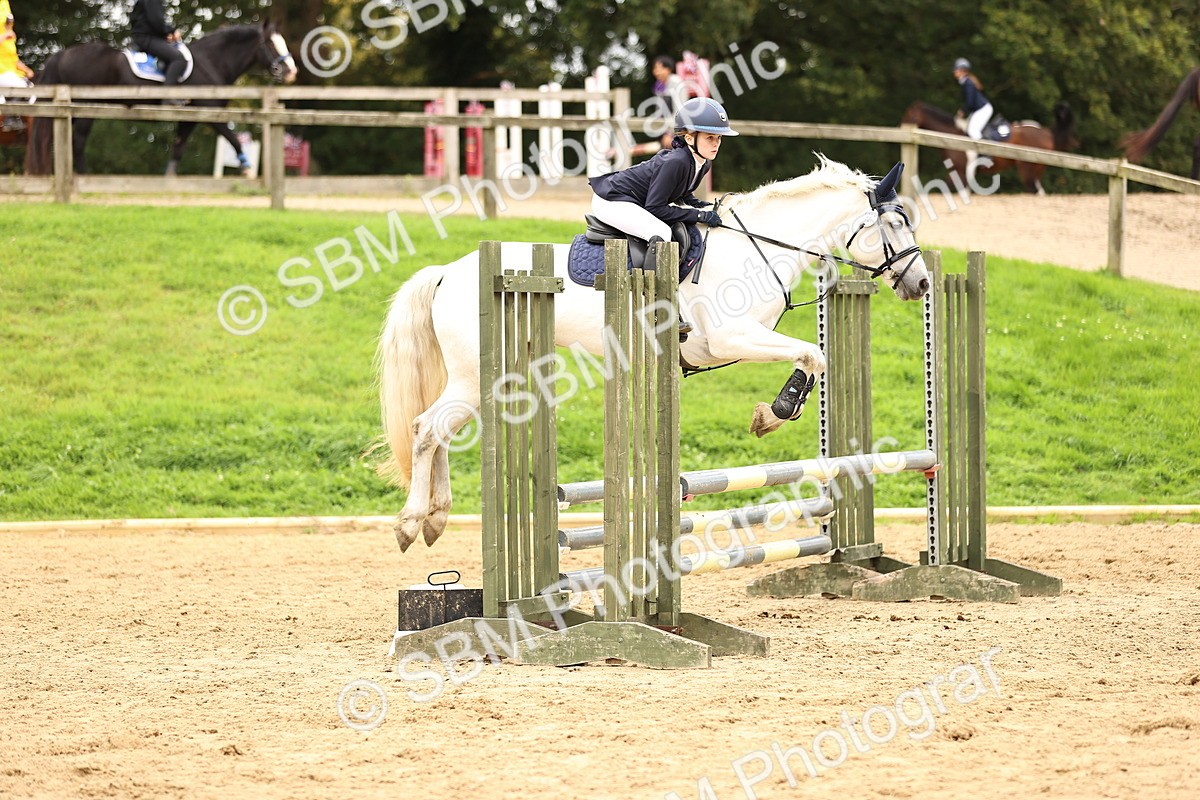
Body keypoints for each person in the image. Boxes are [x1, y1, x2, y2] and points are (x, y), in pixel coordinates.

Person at [589, 96, 734, 247]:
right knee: (662, 233)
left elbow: (682, 193)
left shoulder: (703, 163)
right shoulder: (676, 162)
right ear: (689, 139)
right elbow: (655, 208)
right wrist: (699, 215)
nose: (716, 144)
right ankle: (643, 272)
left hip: (634, 201)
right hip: (612, 199)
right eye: (710, 137)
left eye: (719, 138)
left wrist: (706, 207)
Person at [627, 55, 688, 158]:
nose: (656, 72)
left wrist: (670, 133)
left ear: (668, 69)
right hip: (664, 129)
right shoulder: (659, 85)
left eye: (659, 69)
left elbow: (679, 111)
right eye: (655, 69)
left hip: (677, 130)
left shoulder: (676, 82)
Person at [130, 0, 187, 103]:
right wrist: (171, 31)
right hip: (146, 38)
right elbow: (156, 20)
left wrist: (165, 35)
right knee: (179, 59)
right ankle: (168, 97)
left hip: (145, 36)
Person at [953, 57, 992, 185]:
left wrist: (962, 111)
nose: (954, 72)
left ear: (963, 71)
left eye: (956, 70)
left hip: (983, 109)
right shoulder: (966, 82)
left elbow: (969, 103)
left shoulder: (967, 83)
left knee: (972, 129)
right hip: (978, 110)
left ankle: (984, 154)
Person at [0, 6, 35, 133]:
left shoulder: (9, 40)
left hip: (8, 73)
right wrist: (4, 36)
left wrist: (28, 70)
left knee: (32, 91)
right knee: (22, 86)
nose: (9, 25)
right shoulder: (5, 36)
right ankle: (9, 118)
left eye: (10, 23)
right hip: (1, 73)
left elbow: (15, 60)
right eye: (7, 23)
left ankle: (19, 121)